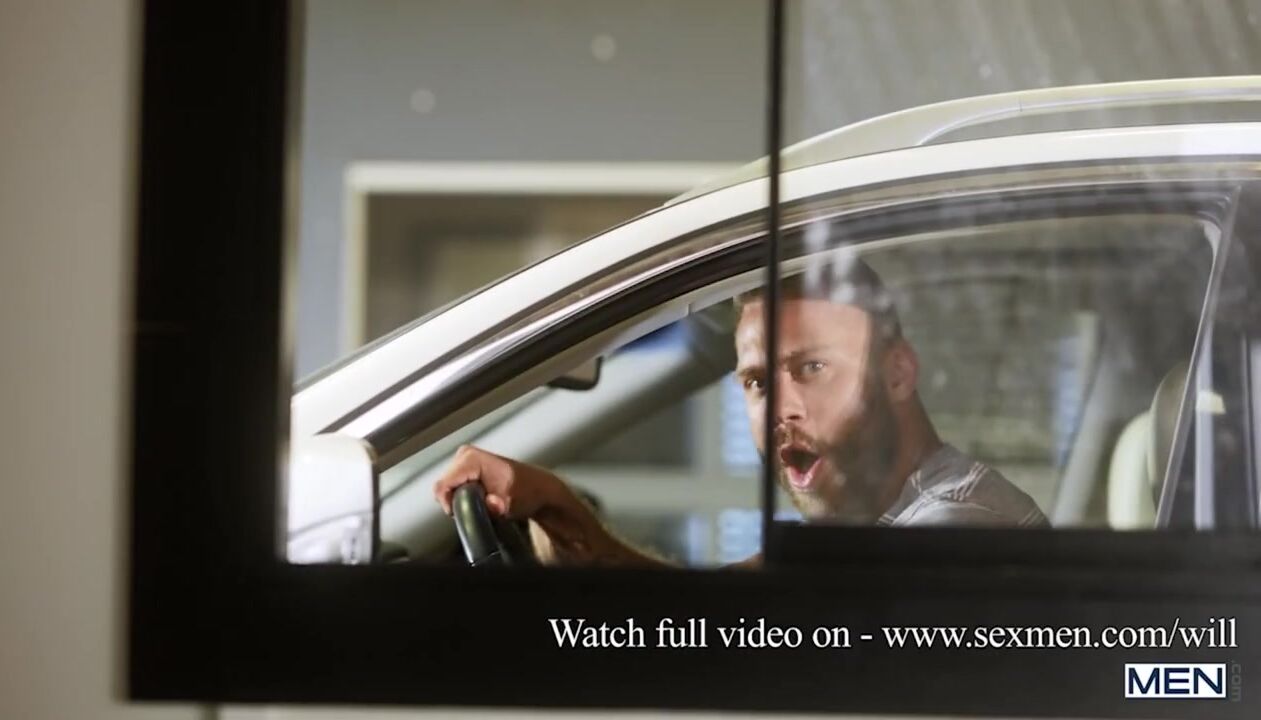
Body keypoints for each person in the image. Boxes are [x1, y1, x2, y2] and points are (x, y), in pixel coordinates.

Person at [433, 257, 1049, 568]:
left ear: (898, 374)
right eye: (756, 382)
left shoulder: (952, 536)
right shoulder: (863, 527)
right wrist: (568, 518)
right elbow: (709, 620)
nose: (780, 410)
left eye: (812, 368)